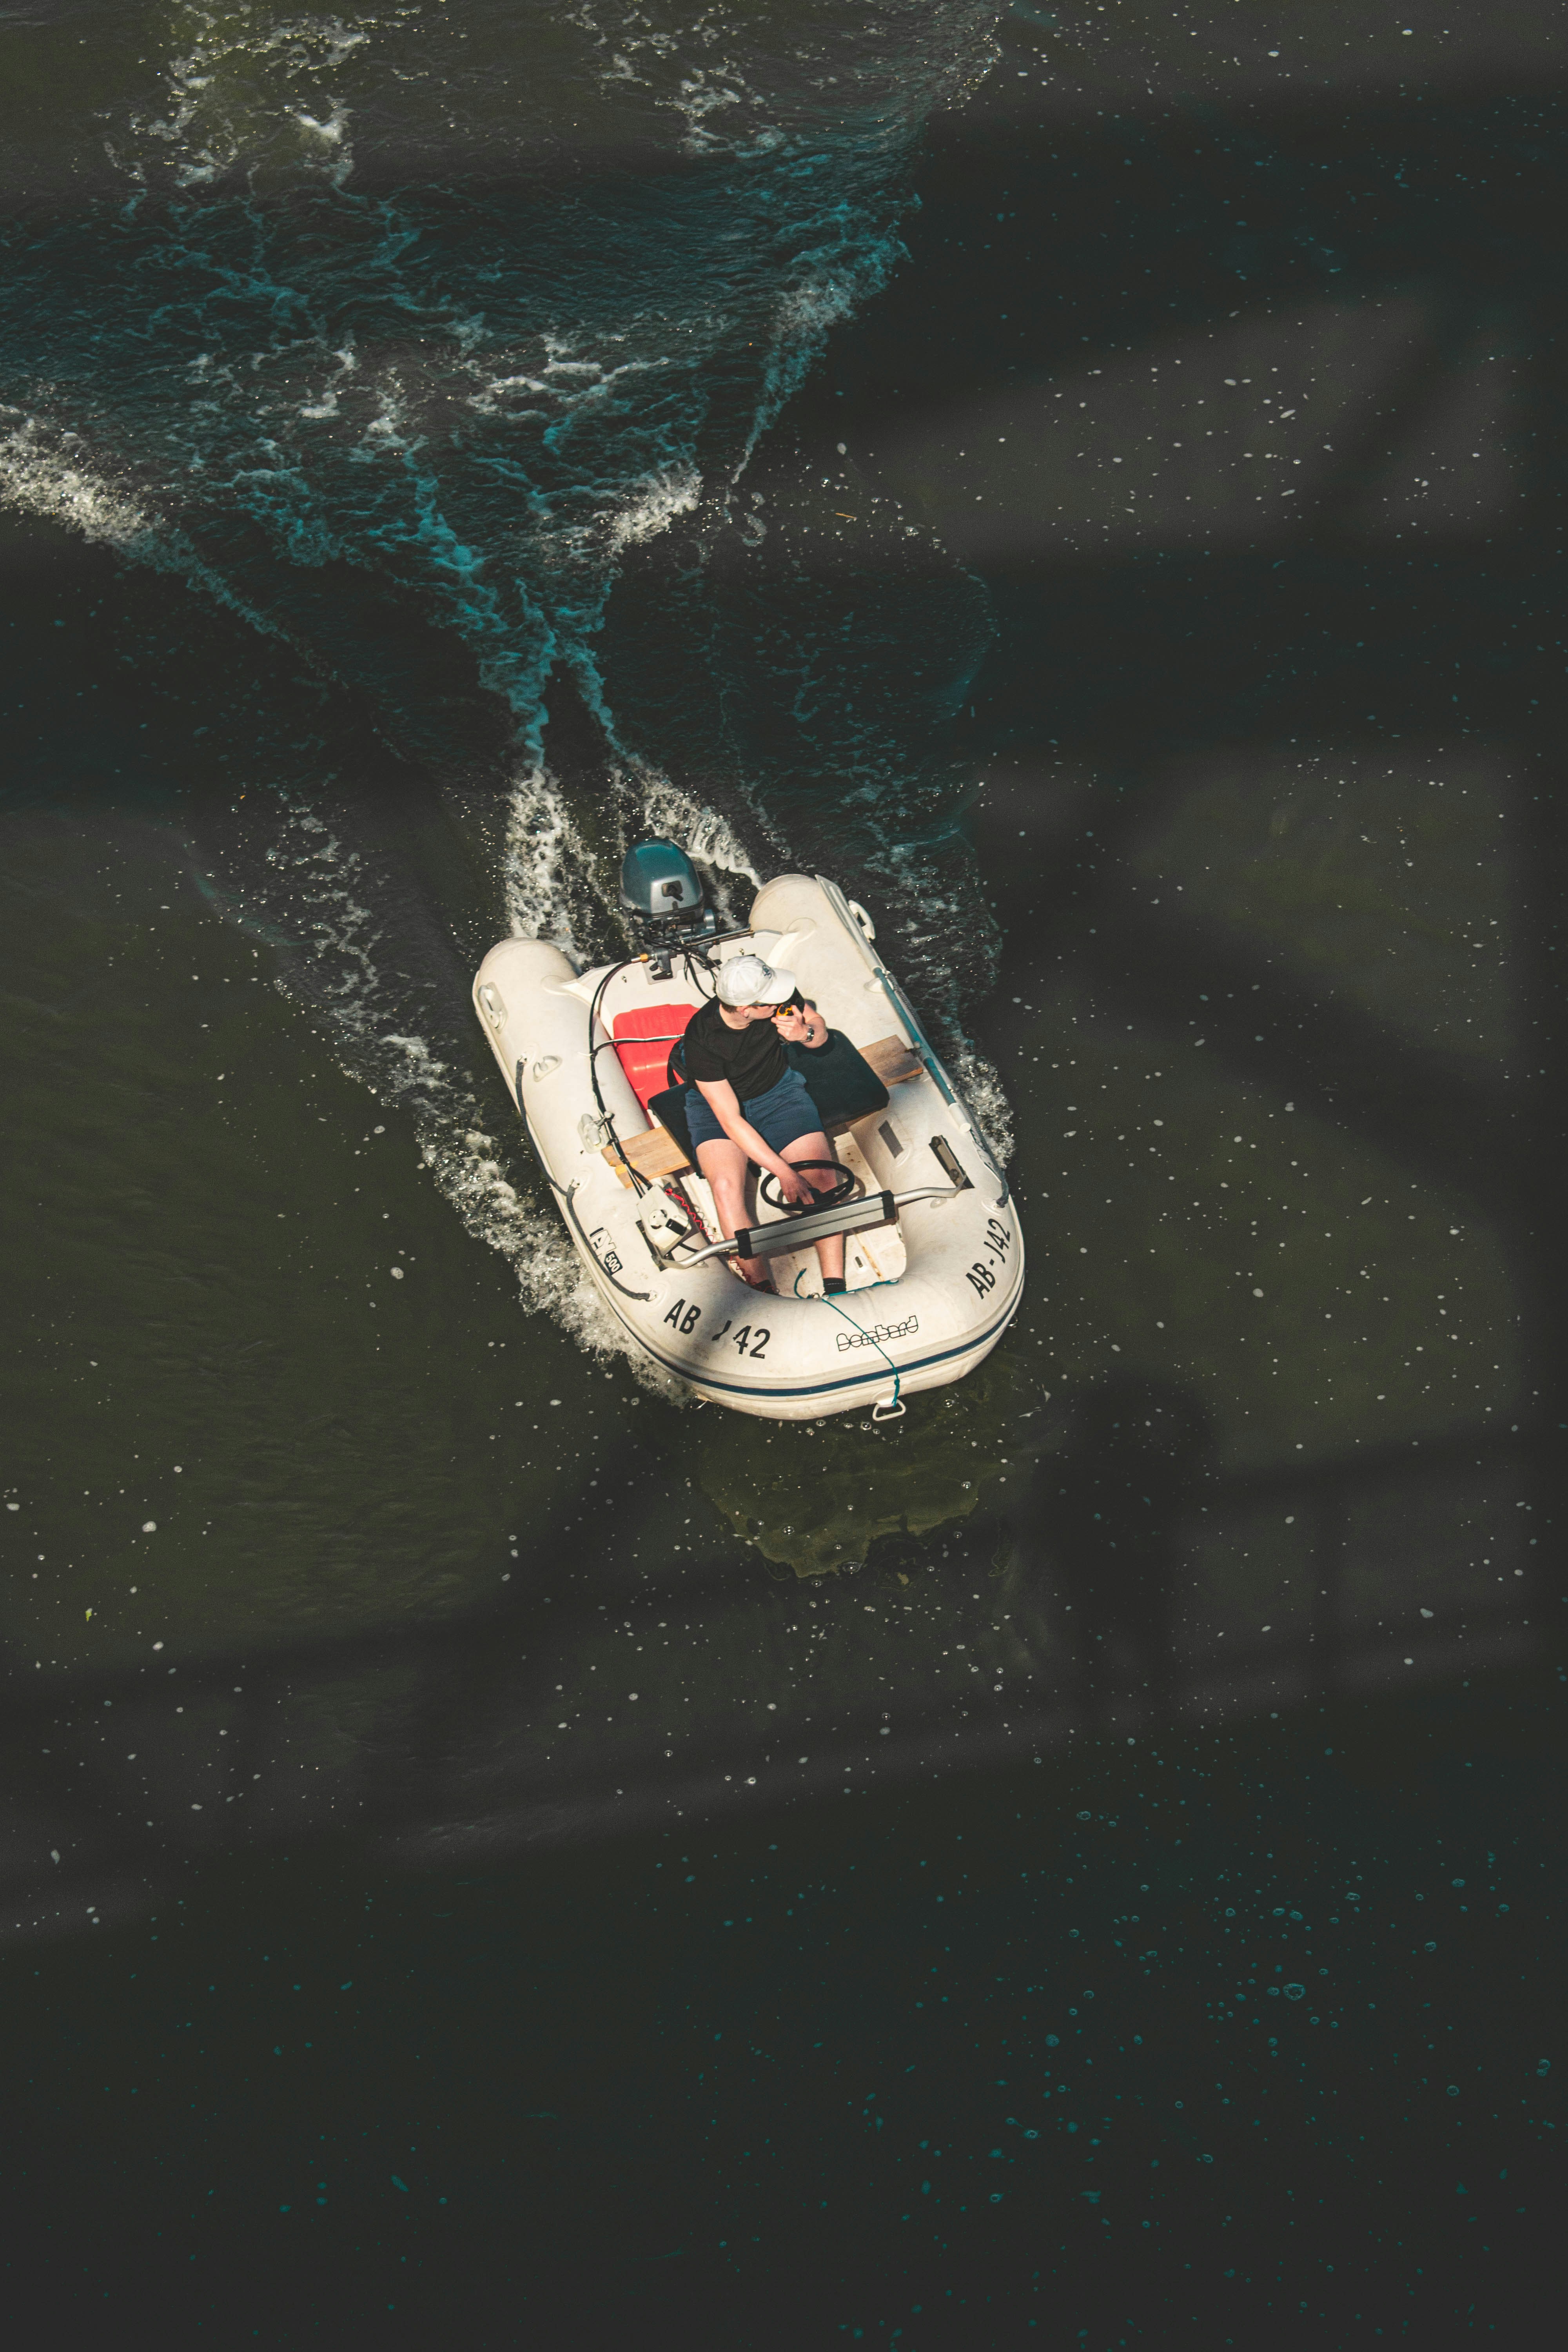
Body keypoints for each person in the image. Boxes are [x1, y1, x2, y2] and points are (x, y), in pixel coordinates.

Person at [679, 955, 847, 1294]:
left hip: (778, 1093)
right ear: (748, 1010)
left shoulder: (778, 997)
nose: (780, 1002)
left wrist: (805, 1033)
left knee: (823, 1177)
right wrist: (784, 1172)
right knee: (727, 1190)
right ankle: (763, 1289)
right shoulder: (702, 1040)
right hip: (717, 1109)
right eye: (770, 1002)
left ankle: (835, 1284)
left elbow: (820, 1035)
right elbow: (730, 1118)